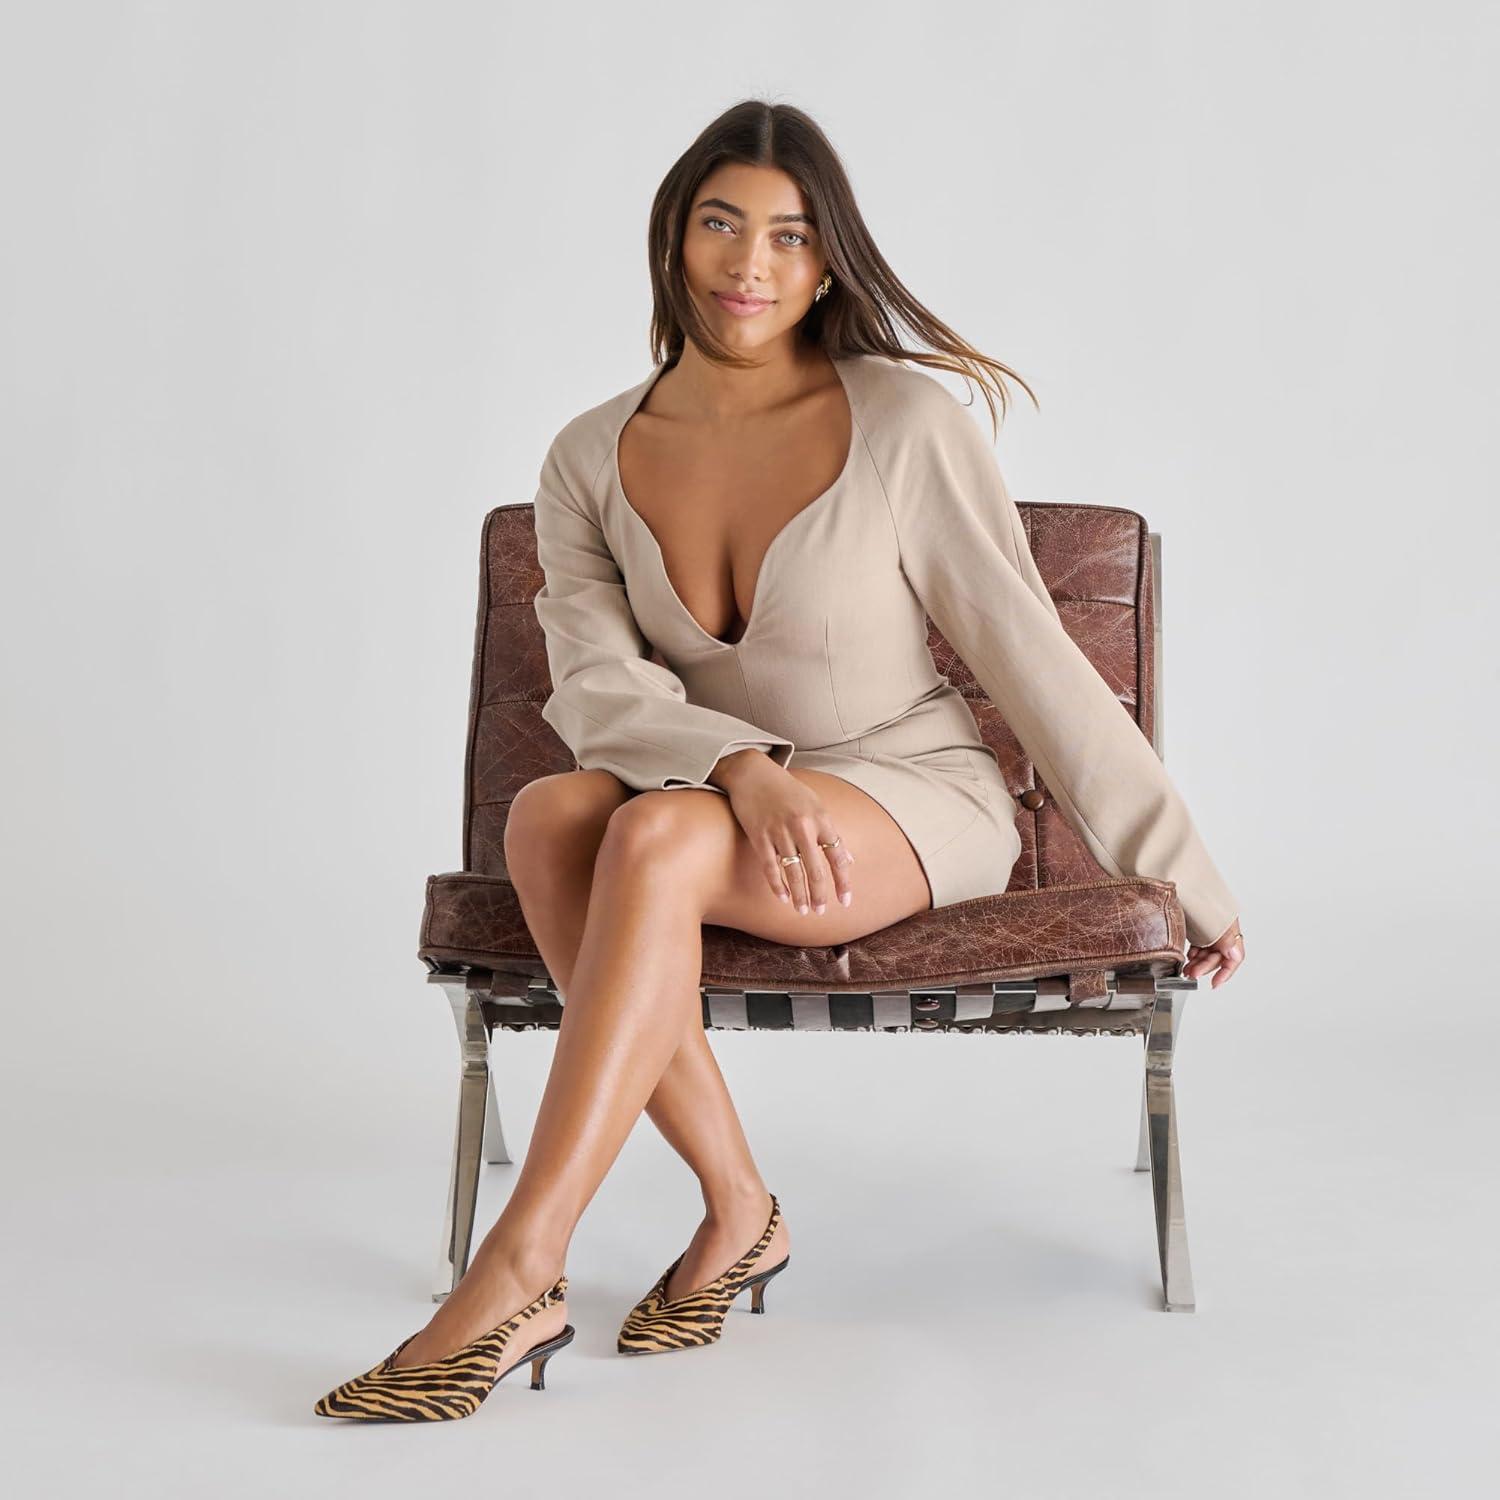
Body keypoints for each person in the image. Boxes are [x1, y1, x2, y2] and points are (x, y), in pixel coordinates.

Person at [314, 98, 1245, 1423]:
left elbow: (1033, 662)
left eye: (790, 236)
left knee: (648, 835)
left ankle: (520, 1269)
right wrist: (742, 766)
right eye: (721, 223)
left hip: (908, 791)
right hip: (708, 786)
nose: (749, 263)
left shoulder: (905, 424)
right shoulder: (588, 455)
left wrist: (1184, 878)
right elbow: (595, 687)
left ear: (825, 265)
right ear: (673, 238)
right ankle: (741, 1209)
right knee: (550, 818)